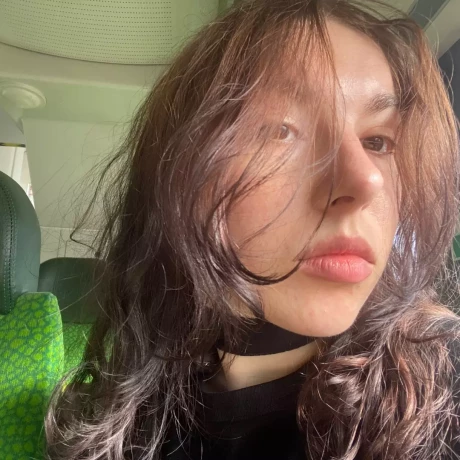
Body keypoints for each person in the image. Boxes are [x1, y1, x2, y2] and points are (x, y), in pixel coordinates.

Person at [45, 0, 460, 459]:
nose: (366, 181)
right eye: (280, 130)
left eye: (378, 142)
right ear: (177, 176)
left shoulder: (447, 386)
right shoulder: (121, 414)